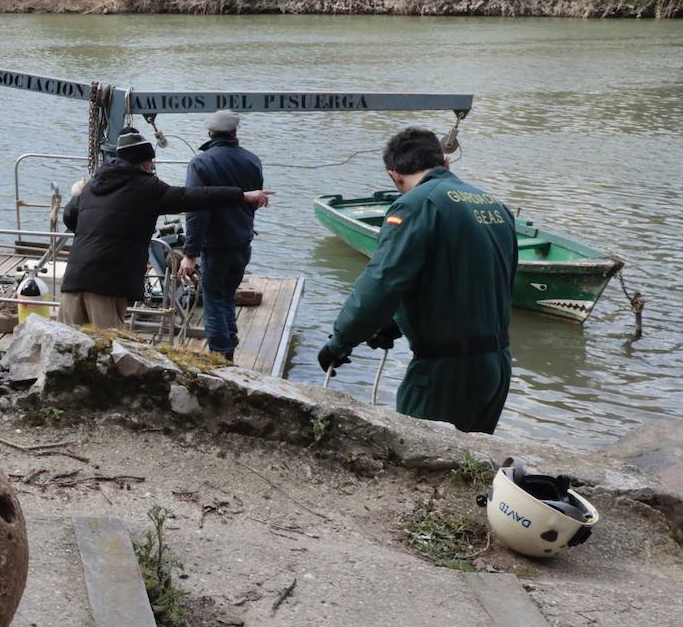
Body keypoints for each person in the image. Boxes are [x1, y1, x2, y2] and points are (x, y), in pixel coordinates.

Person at [318, 127, 517, 434]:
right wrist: (396, 324)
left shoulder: (416, 205)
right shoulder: (494, 206)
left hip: (445, 373)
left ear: (394, 176)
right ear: (445, 164)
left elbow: (381, 282)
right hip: (498, 366)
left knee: (417, 464)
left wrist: (339, 342)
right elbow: (471, 284)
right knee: (467, 470)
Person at [60, 128, 273, 329]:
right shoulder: (147, 188)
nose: (152, 165)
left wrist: (97, 233)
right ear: (141, 162)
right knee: (105, 349)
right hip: (107, 283)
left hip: (74, 280)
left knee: (66, 346)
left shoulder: (92, 186)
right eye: (150, 160)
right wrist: (242, 195)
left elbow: (69, 216)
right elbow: (194, 196)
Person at [176, 110, 266, 362]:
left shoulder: (200, 163)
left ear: (210, 133)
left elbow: (196, 210)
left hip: (214, 245)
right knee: (227, 294)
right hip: (242, 241)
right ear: (235, 132)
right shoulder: (252, 160)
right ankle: (230, 339)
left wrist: (190, 253)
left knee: (213, 298)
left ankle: (220, 355)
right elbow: (255, 201)